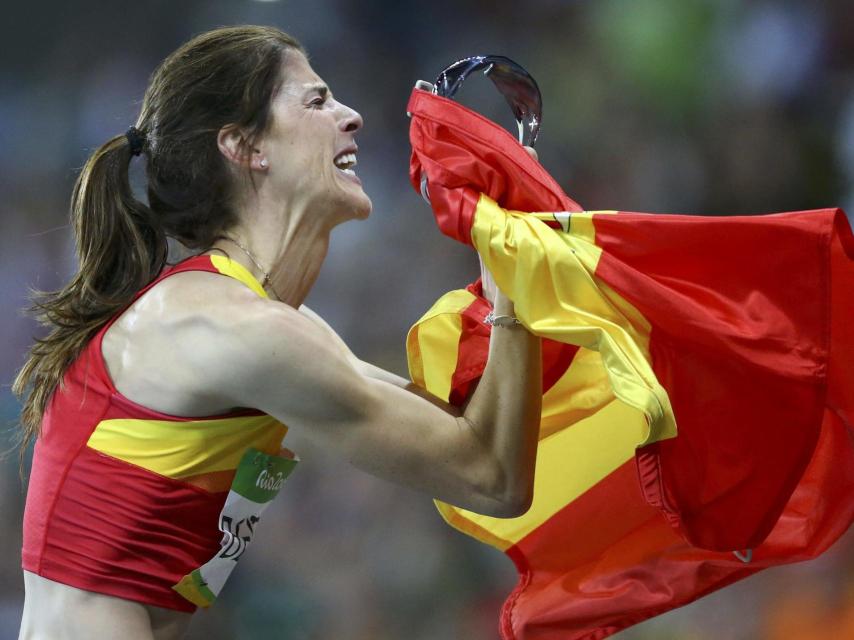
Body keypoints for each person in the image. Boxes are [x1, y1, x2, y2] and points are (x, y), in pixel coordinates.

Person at [14, 25, 542, 640]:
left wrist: (509, 243)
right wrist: (514, 266)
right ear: (244, 146)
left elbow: (468, 430)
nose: (353, 117)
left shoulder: (260, 323)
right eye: (317, 102)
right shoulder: (231, 328)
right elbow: (491, 477)